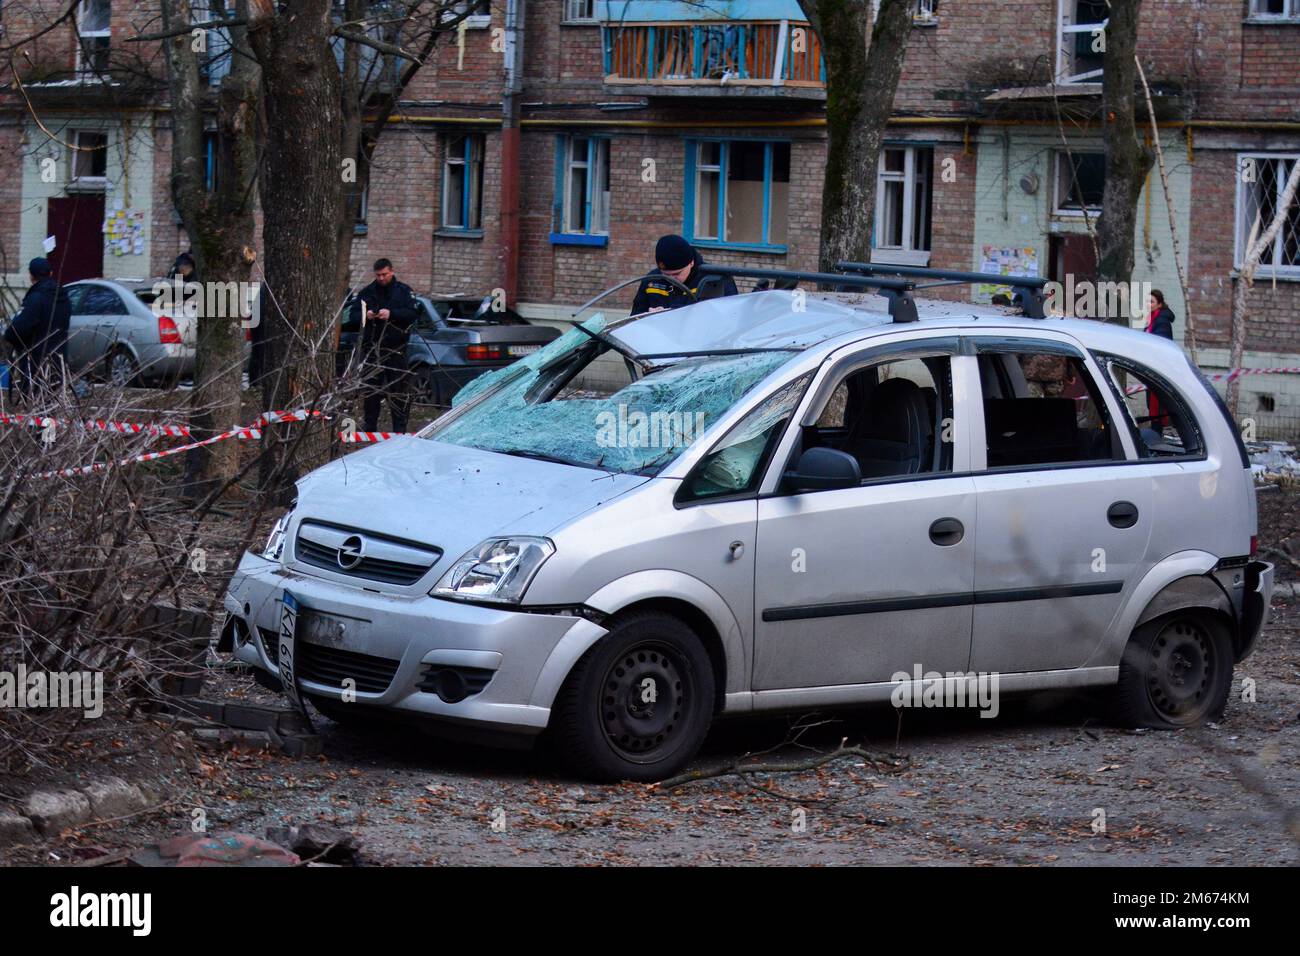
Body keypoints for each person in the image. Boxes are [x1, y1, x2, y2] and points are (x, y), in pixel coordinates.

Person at [348, 258, 418, 433]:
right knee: (371, 391)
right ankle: (370, 427)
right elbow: (353, 316)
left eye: (384, 274)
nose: (381, 278)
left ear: (391, 272)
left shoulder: (403, 291)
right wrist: (367, 315)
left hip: (396, 349)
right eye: (378, 275)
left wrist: (392, 314)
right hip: (372, 349)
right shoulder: (367, 293)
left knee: (398, 391)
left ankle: (399, 429)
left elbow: (413, 313)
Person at [3, 257, 71, 397]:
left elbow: (18, 329)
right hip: (59, 362)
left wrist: (11, 339)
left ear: (31, 275)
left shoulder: (36, 299)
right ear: (51, 273)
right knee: (53, 405)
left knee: (37, 406)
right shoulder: (65, 298)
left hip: (36, 364)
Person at [631, 235, 736, 315]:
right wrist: (647, 318)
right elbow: (634, 319)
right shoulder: (652, 280)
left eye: (677, 273)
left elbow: (730, 318)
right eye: (666, 275)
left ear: (691, 263)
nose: (671, 279)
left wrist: (669, 315)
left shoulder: (716, 279)